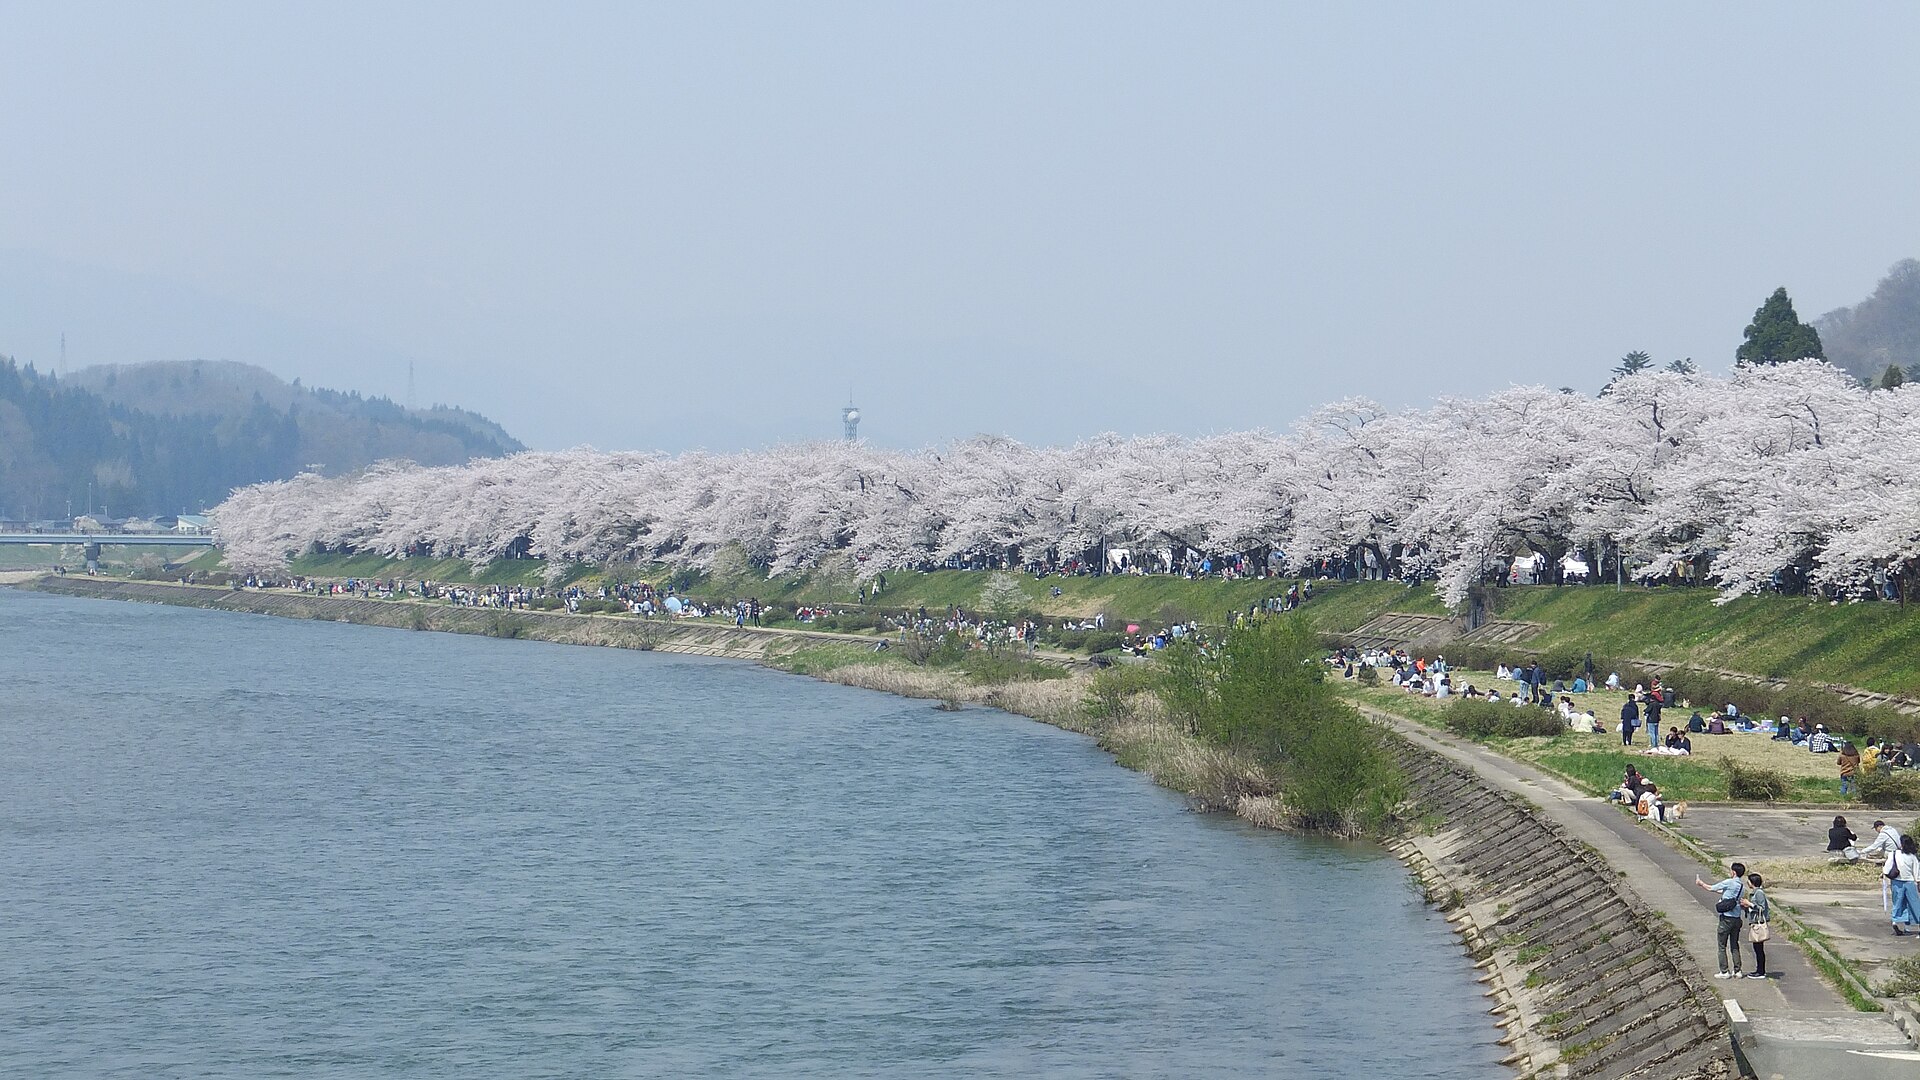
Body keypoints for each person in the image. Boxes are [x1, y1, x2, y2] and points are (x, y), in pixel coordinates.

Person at [1696, 863, 1748, 977]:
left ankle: (1724, 971)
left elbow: (1712, 888)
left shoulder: (1729, 882)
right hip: (1737, 918)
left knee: (1722, 945)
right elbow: (1723, 892)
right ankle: (1738, 970)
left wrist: (1701, 883)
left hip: (1726, 918)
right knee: (1734, 944)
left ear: (1734, 872)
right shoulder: (1742, 887)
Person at [1742, 873, 1771, 979]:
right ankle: (1759, 970)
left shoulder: (1759, 893)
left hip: (1759, 923)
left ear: (1752, 882)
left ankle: (1761, 971)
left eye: (1749, 880)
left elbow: (1762, 908)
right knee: (1757, 948)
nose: (1747, 882)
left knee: (1758, 948)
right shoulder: (1755, 892)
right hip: (1755, 922)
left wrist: (1750, 904)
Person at [1894, 836, 1920, 936]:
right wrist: (1918, 882)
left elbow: (1888, 866)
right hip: (1910, 882)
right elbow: (1916, 872)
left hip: (1897, 881)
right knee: (1915, 904)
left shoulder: (1895, 854)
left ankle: (1896, 922)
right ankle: (1915, 924)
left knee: (1898, 903)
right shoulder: (1913, 857)